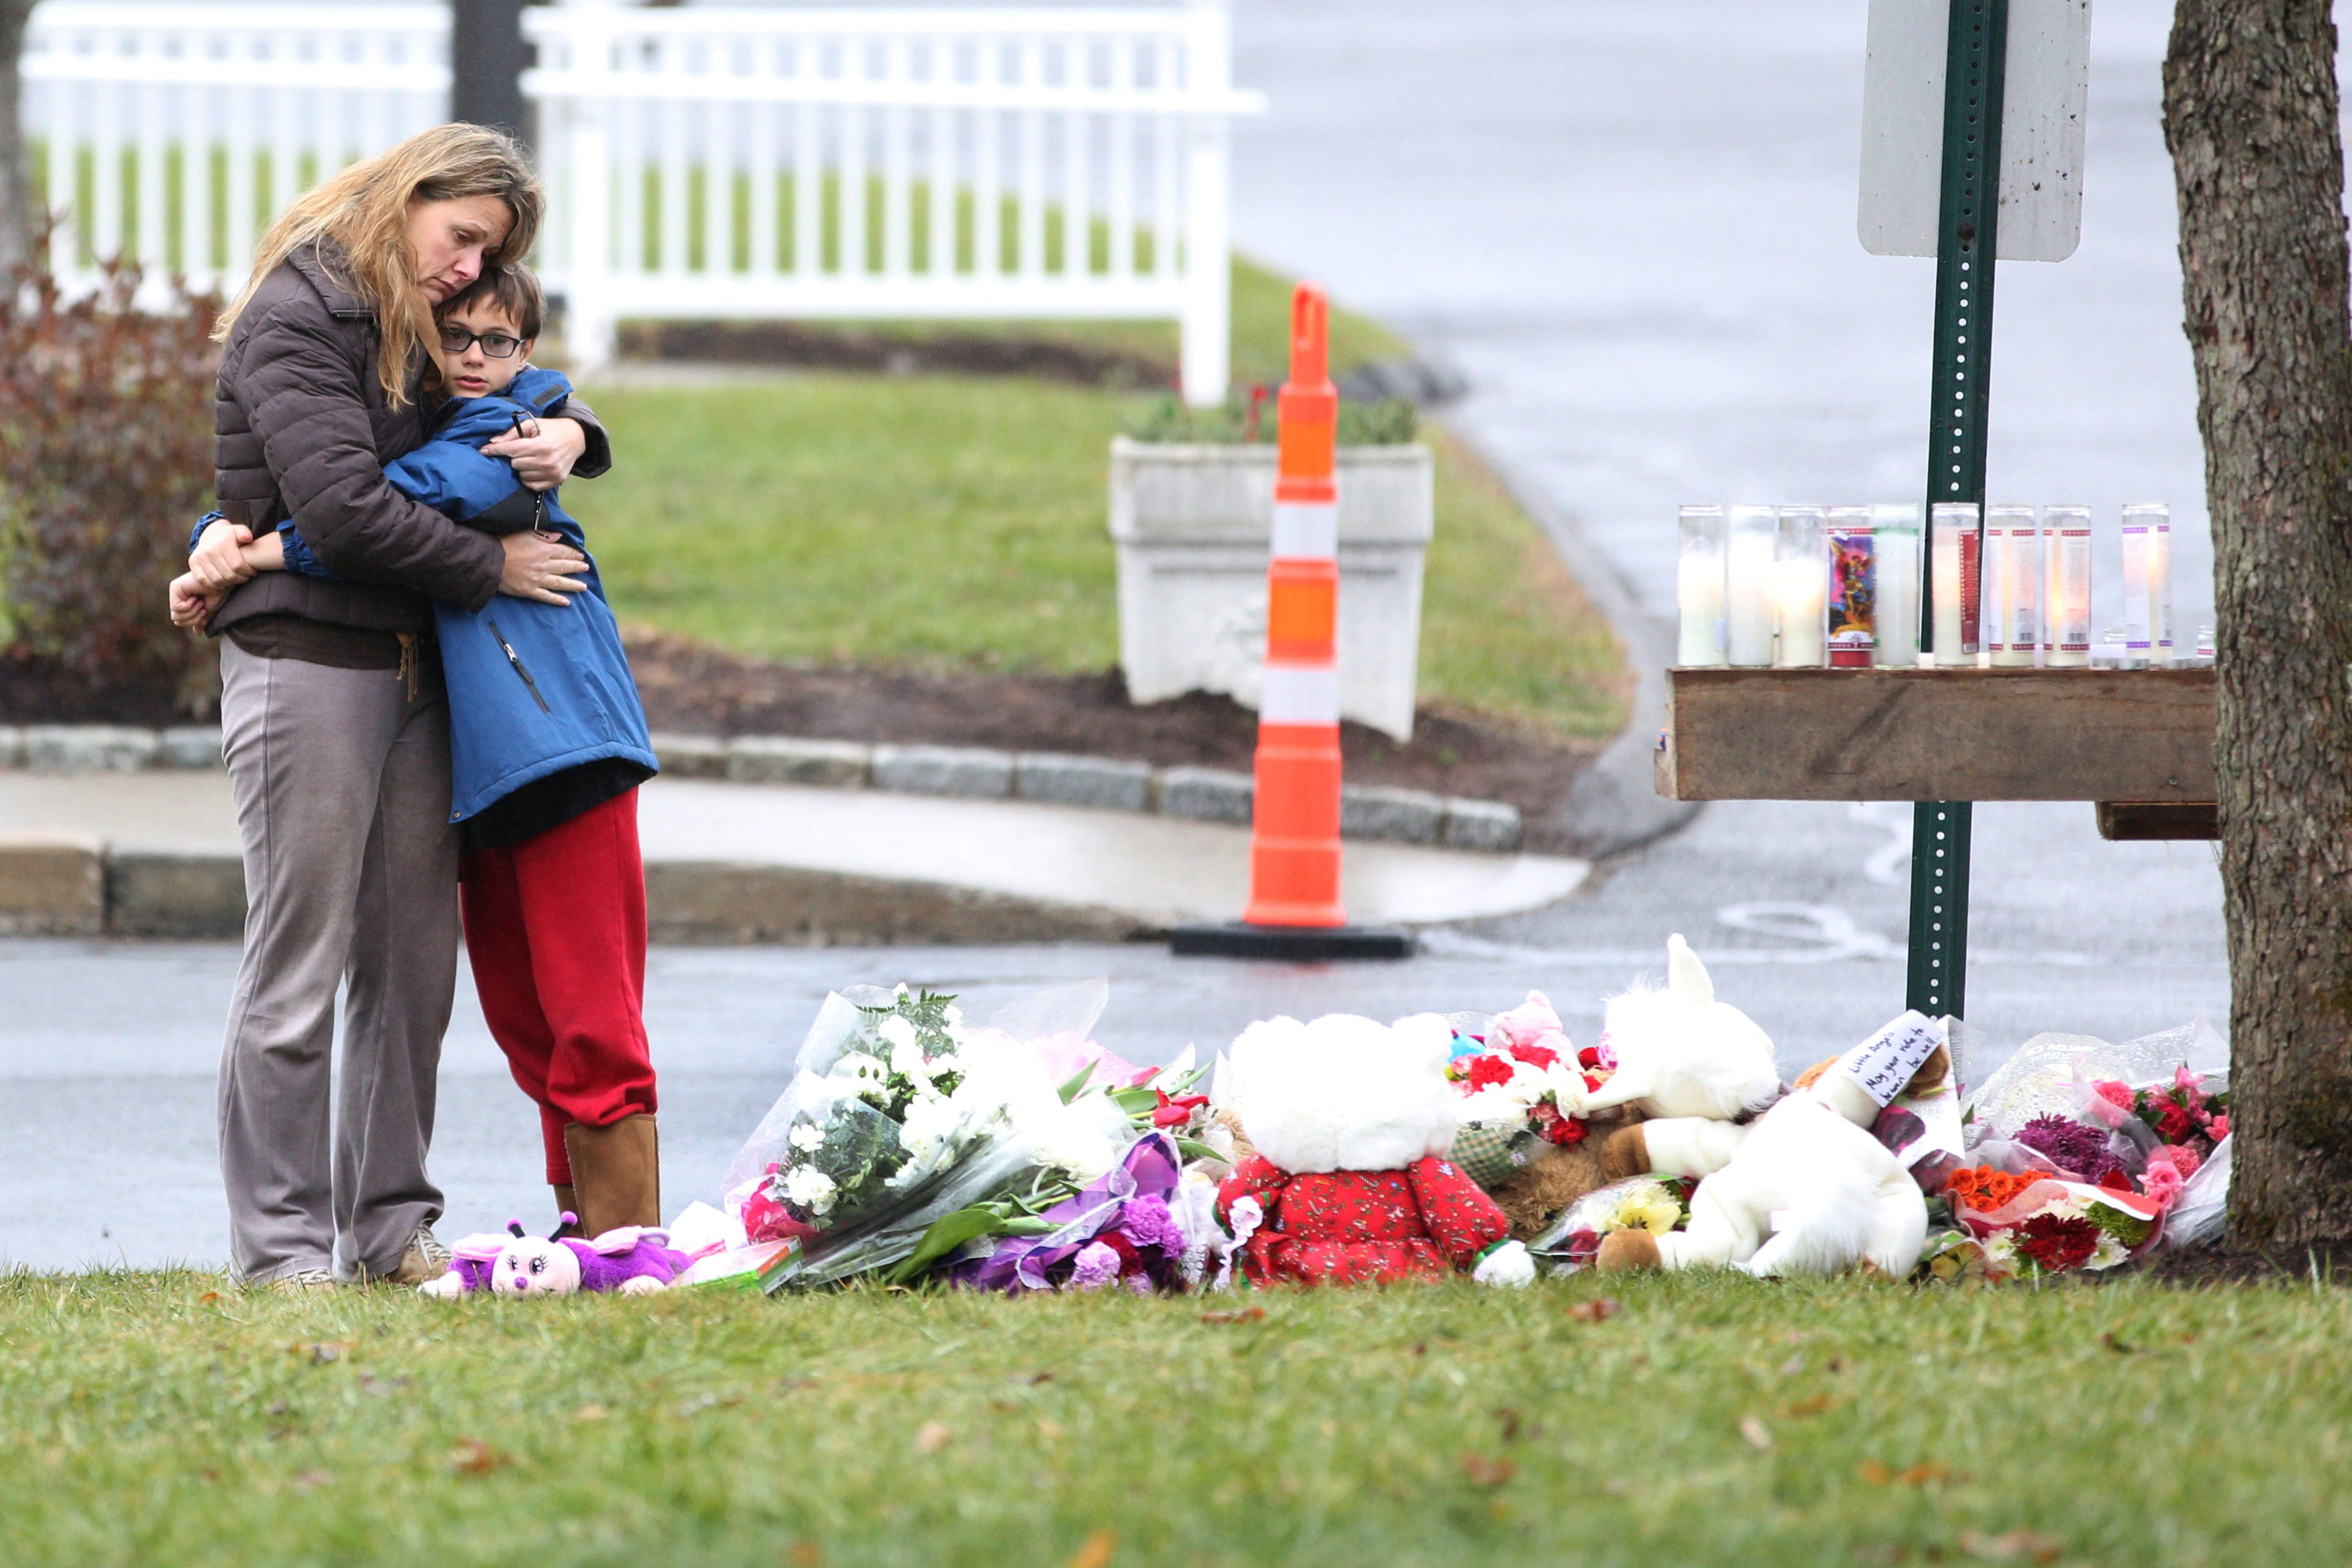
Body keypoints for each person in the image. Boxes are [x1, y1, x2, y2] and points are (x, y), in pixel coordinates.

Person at [176, 124, 610, 1290]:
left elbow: (499, 401)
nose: (470, 270)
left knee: (413, 970)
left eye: (490, 255)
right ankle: (280, 1253)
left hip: (422, 669)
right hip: (309, 657)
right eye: (463, 237)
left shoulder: (417, 318)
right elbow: (353, 510)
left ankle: (387, 1231)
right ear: (408, 196)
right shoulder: (301, 313)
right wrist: (494, 570)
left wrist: (576, 431)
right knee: (300, 964)